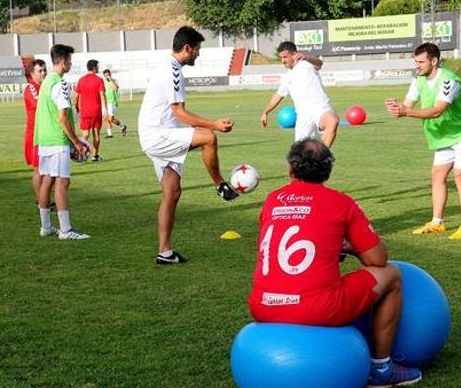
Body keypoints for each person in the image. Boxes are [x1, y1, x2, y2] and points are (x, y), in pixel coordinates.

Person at [249, 139, 422, 388]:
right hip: (316, 308)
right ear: (328, 171)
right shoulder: (340, 202)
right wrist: (351, 249)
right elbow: (378, 259)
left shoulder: (272, 199)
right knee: (392, 274)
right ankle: (381, 368)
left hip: (263, 306)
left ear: (290, 169)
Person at [138, 26, 238, 265]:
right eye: (197, 49)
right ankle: (220, 184)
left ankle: (165, 252)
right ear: (187, 48)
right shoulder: (173, 70)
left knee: (172, 193)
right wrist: (213, 124)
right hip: (158, 135)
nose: (198, 54)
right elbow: (179, 112)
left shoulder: (168, 68)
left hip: (158, 134)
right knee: (209, 137)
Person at [385, 42, 461, 240]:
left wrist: (406, 112)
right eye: (416, 62)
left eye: (421, 62)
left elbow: (438, 110)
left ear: (434, 61)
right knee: (437, 175)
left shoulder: (449, 80)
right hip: (444, 136)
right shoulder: (418, 81)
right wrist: (396, 109)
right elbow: (406, 106)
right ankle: (437, 222)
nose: (418, 66)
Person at [34, 44, 91, 240]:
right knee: (62, 182)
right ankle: (66, 230)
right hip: (57, 140)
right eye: (70, 60)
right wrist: (76, 142)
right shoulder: (60, 83)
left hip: (44, 139)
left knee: (47, 180)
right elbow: (63, 118)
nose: (71, 63)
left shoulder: (46, 81)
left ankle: (46, 227)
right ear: (64, 60)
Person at [260, 41, 339, 147]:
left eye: (285, 57)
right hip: (303, 116)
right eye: (281, 58)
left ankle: (320, 157)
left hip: (320, 108)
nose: (283, 61)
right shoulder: (288, 77)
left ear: (294, 54)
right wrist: (266, 112)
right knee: (299, 154)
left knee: (332, 121)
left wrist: (306, 57)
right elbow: (278, 95)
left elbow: (319, 63)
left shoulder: (307, 64)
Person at [74, 59, 108, 161]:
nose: (98, 68)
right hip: (96, 111)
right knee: (96, 134)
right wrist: (105, 109)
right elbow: (102, 94)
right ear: (94, 67)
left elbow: (76, 95)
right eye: (97, 66)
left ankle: (81, 155)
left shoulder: (81, 80)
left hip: (84, 111)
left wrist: (76, 107)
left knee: (85, 134)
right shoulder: (99, 80)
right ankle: (95, 156)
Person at [24, 59, 47, 199]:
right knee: (39, 169)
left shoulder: (44, 87)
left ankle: (44, 200)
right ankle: (41, 201)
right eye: (40, 70)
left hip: (45, 132)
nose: (43, 73)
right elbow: (41, 105)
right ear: (32, 73)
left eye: (45, 70)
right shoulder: (32, 87)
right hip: (36, 134)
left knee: (46, 170)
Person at [102, 69, 127, 138]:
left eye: (108, 75)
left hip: (112, 102)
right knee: (106, 118)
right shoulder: (103, 82)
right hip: (105, 102)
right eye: (105, 76)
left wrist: (111, 80)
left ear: (110, 74)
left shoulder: (115, 81)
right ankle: (110, 134)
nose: (106, 77)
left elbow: (116, 88)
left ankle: (122, 126)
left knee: (111, 118)